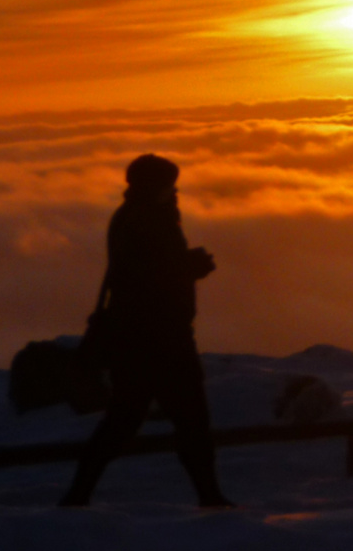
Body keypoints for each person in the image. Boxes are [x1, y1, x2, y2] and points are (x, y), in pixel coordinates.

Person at [60, 154, 232, 508]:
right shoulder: (145, 219)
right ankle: (210, 497)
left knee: (126, 422)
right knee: (189, 421)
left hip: (141, 340)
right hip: (158, 339)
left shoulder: (141, 216)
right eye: (169, 184)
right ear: (155, 186)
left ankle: (78, 496)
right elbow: (143, 279)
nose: (175, 190)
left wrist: (184, 266)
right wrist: (189, 267)